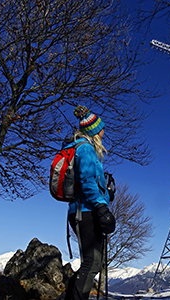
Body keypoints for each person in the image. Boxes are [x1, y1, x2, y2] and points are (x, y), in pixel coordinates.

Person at [64, 105, 116, 300]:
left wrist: (107, 195)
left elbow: (90, 182)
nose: (104, 131)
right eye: (101, 128)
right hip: (84, 212)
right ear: (94, 130)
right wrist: (102, 207)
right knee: (92, 262)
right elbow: (86, 181)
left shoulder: (86, 149)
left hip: (87, 210)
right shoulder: (85, 148)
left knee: (93, 262)